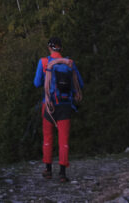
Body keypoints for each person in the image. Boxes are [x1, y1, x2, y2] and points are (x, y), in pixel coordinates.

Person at [33, 36, 83, 182]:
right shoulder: (70, 63)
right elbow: (80, 84)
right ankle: (62, 173)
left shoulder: (43, 62)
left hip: (49, 106)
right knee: (64, 140)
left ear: (49, 47)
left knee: (48, 138)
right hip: (66, 105)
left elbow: (36, 83)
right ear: (61, 47)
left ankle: (48, 170)